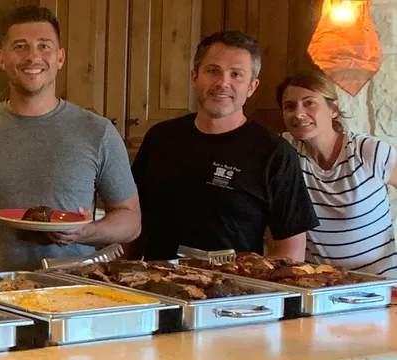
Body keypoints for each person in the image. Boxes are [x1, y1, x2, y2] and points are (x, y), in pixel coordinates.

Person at [0, 6, 141, 273]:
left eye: (44, 46)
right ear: (2, 58)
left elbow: (131, 220)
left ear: (60, 58)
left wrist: (87, 232)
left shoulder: (97, 132)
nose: (33, 57)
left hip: (74, 294)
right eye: (20, 46)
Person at [129, 30, 318, 261]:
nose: (222, 83)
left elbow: (290, 251)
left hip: (235, 292)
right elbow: (133, 223)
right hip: (155, 288)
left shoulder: (274, 153)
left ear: (252, 87)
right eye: (213, 71)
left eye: (236, 74)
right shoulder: (160, 138)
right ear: (194, 77)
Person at [277, 70, 397, 275]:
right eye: (289, 106)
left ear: (333, 109)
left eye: (309, 103)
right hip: (319, 287)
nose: (298, 114)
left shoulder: (368, 151)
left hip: (379, 286)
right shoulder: (283, 151)